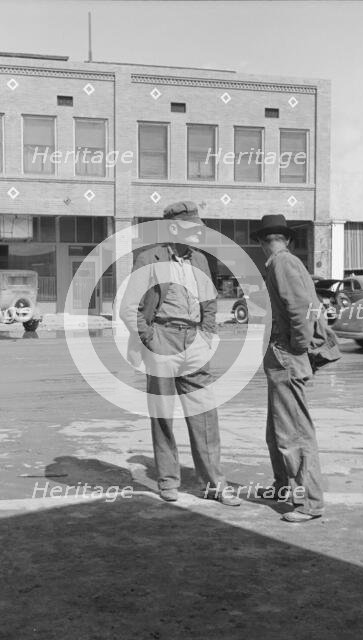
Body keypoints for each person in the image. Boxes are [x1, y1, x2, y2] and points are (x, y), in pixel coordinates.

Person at [120, 201, 241, 506]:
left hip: (194, 342)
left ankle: (215, 484)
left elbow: (210, 302)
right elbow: (127, 307)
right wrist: (149, 337)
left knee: (204, 416)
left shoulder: (200, 259)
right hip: (162, 338)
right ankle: (168, 481)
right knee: (163, 416)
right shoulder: (149, 257)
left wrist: (206, 334)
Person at [251, 214, 331, 523]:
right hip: (281, 355)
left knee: (293, 433)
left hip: (286, 355)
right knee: (276, 431)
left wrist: (295, 348)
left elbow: (300, 310)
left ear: (261, 242)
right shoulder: (285, 262)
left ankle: (308, 502)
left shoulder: (282, 264)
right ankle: (284, 487)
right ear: (287, 239)